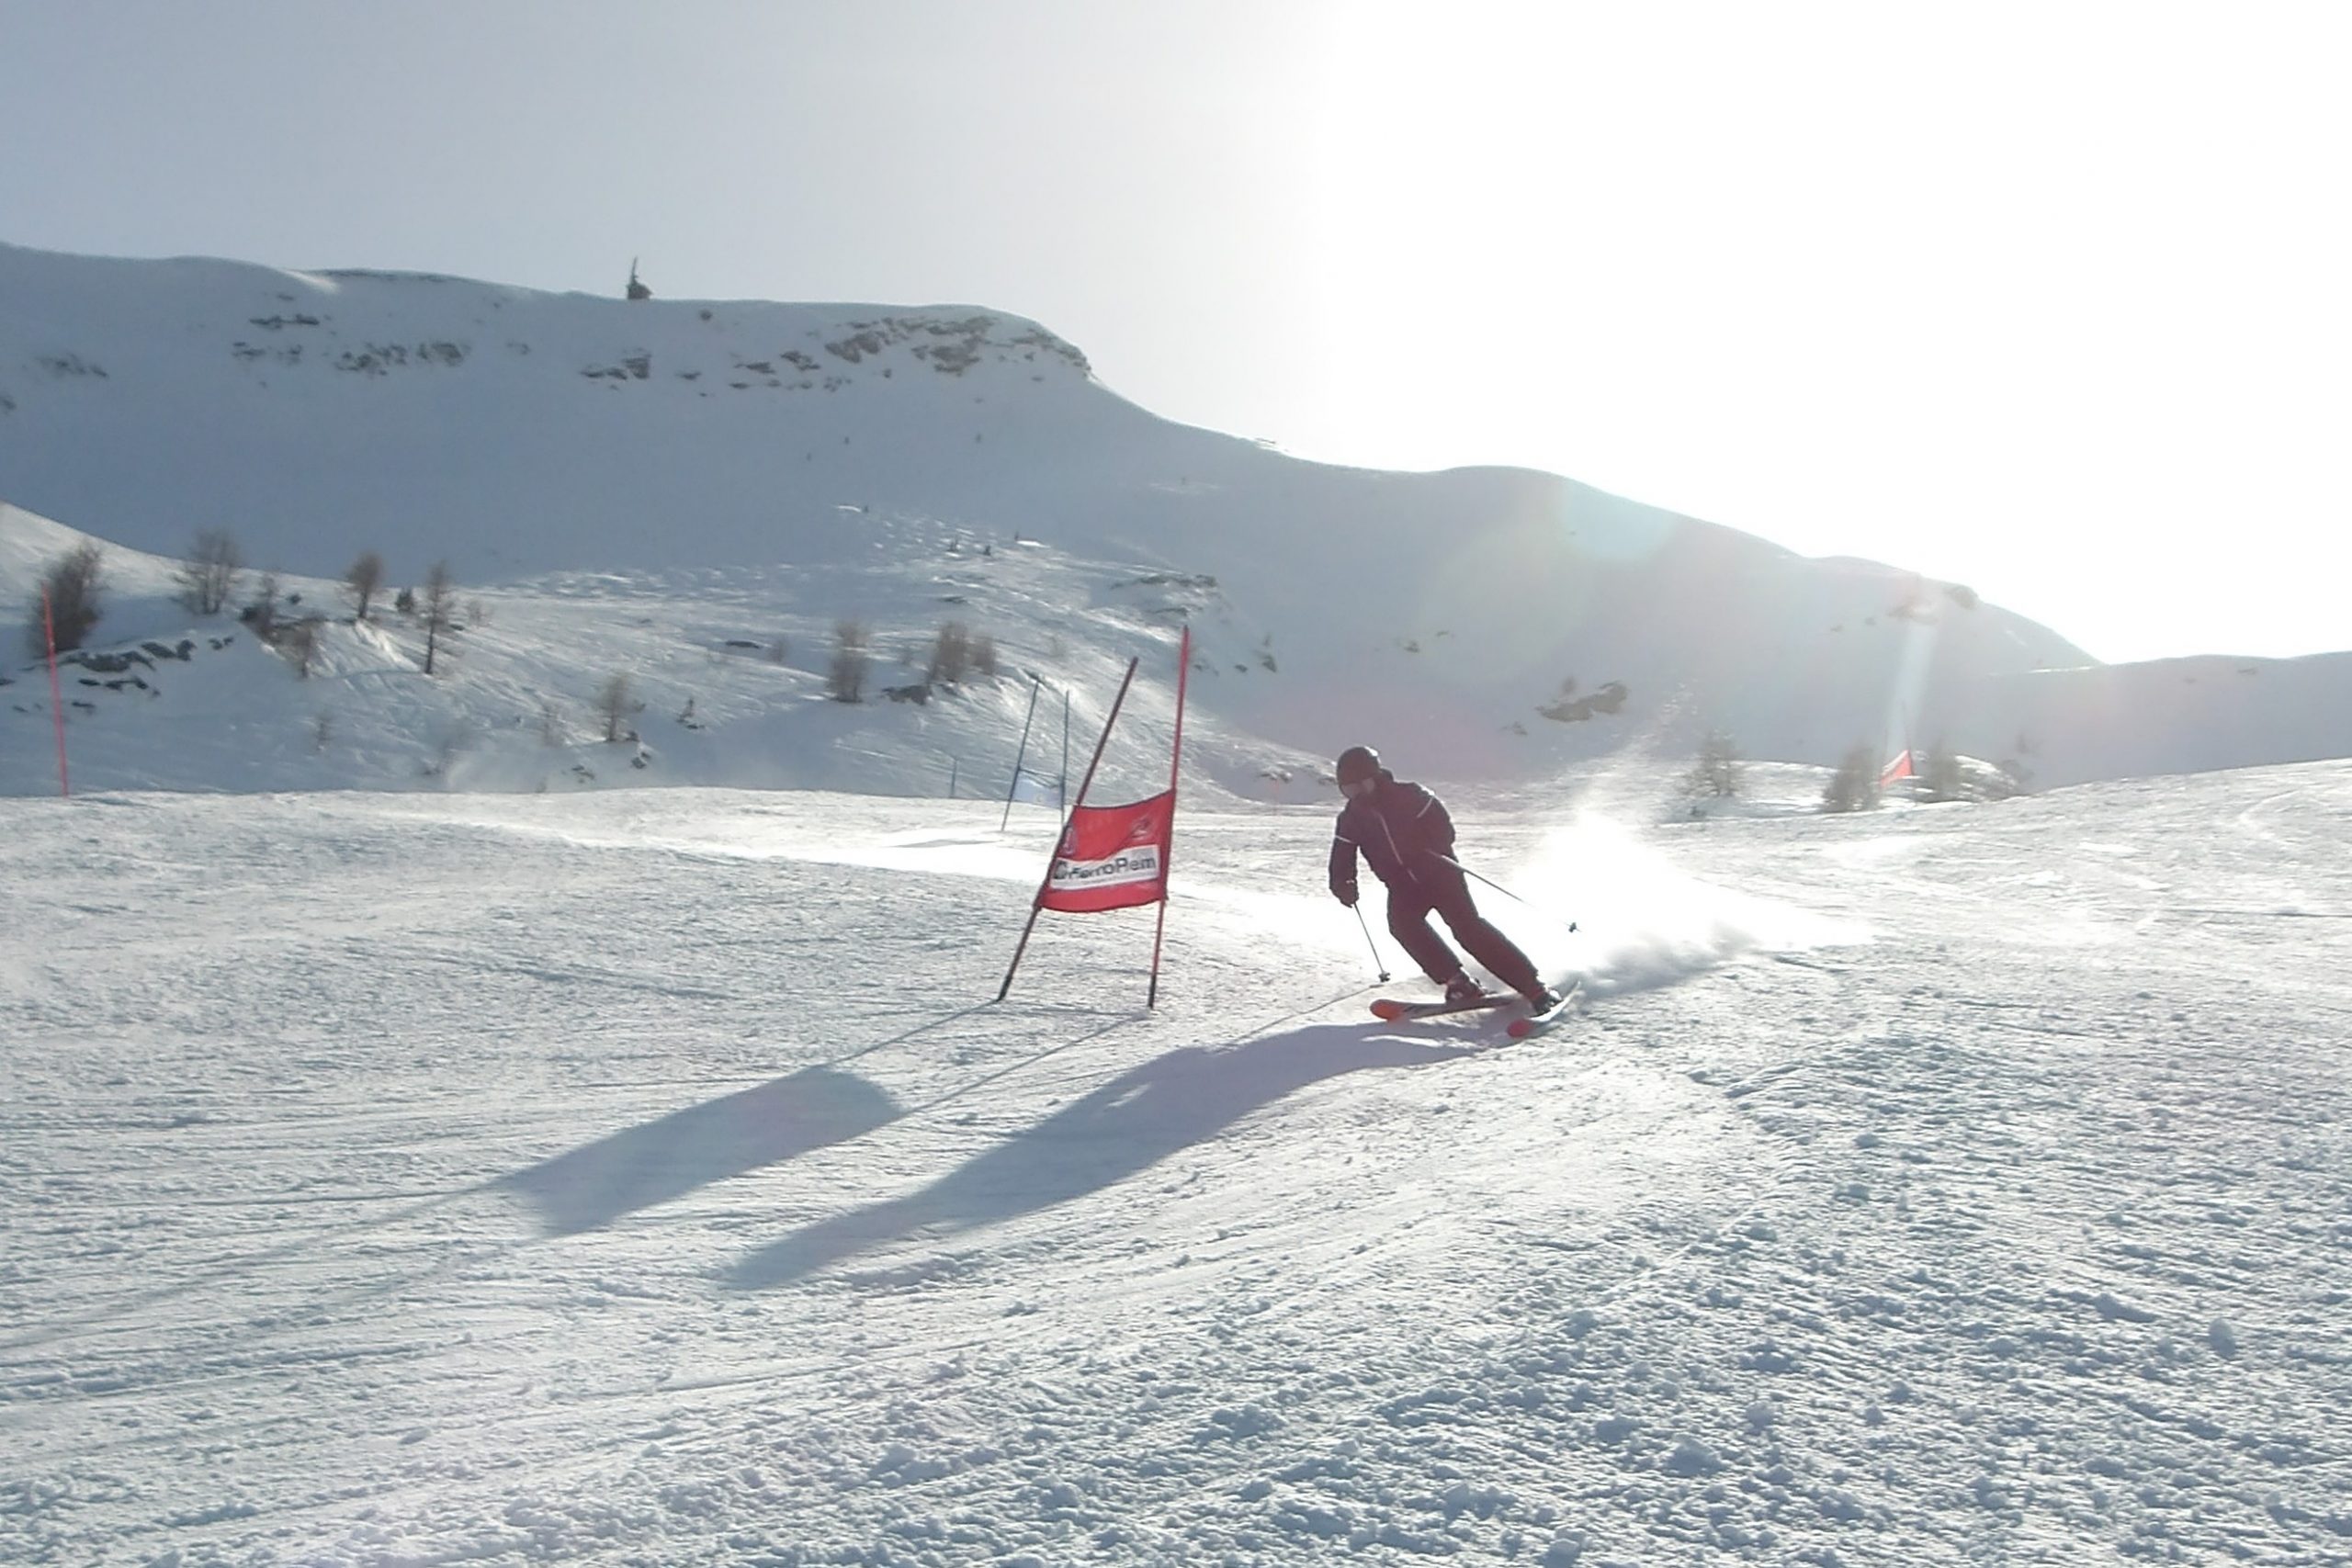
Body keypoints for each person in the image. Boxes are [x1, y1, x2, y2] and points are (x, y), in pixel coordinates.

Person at [1329, 745, 1561, 1010]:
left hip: (1440, 874)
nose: (1357, 795)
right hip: (1402, 884)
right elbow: (1342, 854)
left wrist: (1428, 846)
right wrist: (1342, 883)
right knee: (1403, 926)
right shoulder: (1350, 819)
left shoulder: (1411, 795)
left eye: (1361, 786)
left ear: (1376, 778)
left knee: (1467, 928)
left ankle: (1534, 988)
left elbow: (1443, 828)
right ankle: (1458, 981)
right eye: (1349, 790)